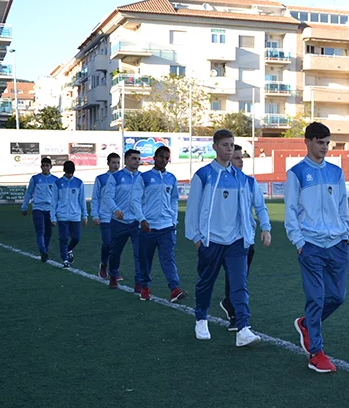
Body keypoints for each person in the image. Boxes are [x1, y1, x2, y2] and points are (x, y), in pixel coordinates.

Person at [285, 121, 349, 373]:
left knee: (338, 296)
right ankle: (316, 353)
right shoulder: (297, 173)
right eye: (320, 142)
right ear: (308, 142)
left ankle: (306, 325)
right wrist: (299, 242)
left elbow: (343, 205)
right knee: (316, 298)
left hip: (337, 243)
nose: (324, 147)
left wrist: (345, 233)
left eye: (327, 143)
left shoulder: (336, 172)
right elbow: (290, 210)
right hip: (310, 244)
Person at [184, 129, 259, 347]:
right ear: (215, 146)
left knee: (239, 284)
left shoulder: (241, 178)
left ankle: (243, 329)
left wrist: (250, 233)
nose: (228, 149)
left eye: (231, 145)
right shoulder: (204, 175)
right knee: (206, 283)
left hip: (236, 242)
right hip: (211, 241)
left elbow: (246, 208)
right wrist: (197, 238)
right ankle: (201, 319)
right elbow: (192, 210)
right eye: (225, 145)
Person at [219, 144, 271, 332]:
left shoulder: (250, 182)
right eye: (237, 158)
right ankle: (235, 316)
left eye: (242, 158)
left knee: (240, 277)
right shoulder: (218, 181)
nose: (241, 161)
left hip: (246, 238)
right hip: (224, 239)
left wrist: (265, 228)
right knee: (234, 278)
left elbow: (261, 207)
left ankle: (228, 303)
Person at [138, 146, 187, 303]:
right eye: (161, 157)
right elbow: (135, 200)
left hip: (167, 227)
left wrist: (173, 220)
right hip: (148, 227)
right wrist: (142, 219)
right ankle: (144, 287)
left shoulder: (171, 178)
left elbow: (174, 200)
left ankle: (174, 289)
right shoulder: (144, 177)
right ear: (154, 157)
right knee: (146, 259)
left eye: (167, 158)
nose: (164, 160)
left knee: (168, 258)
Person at [103, 149, 143, 291]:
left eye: (138, 158)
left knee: (140, 253)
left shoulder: (142, 178)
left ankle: (139, 282)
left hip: (136, 223)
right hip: (119, 222)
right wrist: (116, 210)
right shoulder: (115, 177)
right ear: (126, 161)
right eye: (133, 158)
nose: (137, 161)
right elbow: (107, 197)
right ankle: (113, 276)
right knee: (115, 252)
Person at [22, 157, 59, 262]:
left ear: (51, 167)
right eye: (43, 165)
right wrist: (24, 206)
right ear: (41, 167)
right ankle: (43, 251)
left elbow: (58, 196)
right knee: (40, 231)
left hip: (50, 210)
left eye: (47, 165)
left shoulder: (55, 180)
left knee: (48, 232)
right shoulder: (35, 179)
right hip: (38, 208)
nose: (45, 167)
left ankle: (45, 250)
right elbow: (29, 193)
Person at [91, 153, 121, 279]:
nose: (116, 165)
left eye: (118, 163)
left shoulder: (122, 178)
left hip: (119, 218)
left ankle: (114, 271)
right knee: (107, 243)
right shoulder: (101, 179)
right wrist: (94, 214)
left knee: (117, 246)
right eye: (113, 162)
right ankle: (103, 265)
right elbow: (95, 198)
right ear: (108, 163)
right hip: (105, 216)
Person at [54, 160, 87, 268]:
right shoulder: (58, 183)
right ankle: (65, 260)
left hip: (75, 215)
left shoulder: (79, 183)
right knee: (63, 238)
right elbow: (54, 201)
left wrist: (85, 215)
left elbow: (82, 200)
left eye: (71, 173)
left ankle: (68, 250)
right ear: (64, 171)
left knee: (76, 238)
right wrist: (52, 216)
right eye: (68, 173)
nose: (69, 175)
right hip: (62, 215)